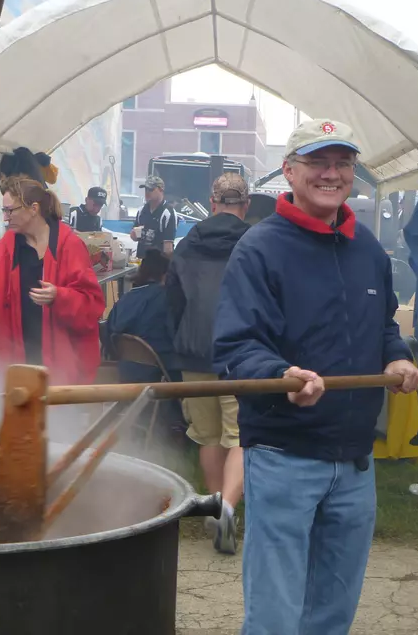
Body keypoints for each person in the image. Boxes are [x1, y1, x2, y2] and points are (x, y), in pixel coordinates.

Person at [212, 118, 418, 635]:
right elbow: (235, 346)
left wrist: (396, 357)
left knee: (332, 613)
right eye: (317, 162)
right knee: (276, 616)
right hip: (284, 455)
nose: (332, 174)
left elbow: (383, 328)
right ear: (289, 171)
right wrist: (282, 374)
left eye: (343, 164)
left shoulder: (369, 251)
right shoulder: (260, 249)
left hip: (354, 463)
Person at [0, 176, 104, 385]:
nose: (5, 218)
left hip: (63, 368)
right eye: (3, 211)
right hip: (18, 364)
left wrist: (59, 297)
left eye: (10, 210)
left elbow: (91, 305)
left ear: (33, 208)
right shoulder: (8, 246)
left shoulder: (69, 246)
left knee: (58, 418)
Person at [167, 172, 251, 555]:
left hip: (194, 351)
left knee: (207, 435)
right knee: (240, 437)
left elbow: (173, 302)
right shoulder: (256, 242)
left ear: (213, 203)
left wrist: (180, 340)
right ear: (245, 205)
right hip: (240, 353)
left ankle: (215, 505)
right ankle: (229, 508)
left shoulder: (187, 244)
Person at [106, 249, 180, 383]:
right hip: (162, 375)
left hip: (126, 374)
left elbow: (108, 335)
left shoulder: (125, 300)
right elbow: (175, 336)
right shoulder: (167, 299)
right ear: (166, 274)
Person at [130, 175, 176, 258]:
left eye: (151, 189)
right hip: (141, 260)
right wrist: (134, 234)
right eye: (146, 189)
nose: (147, 192)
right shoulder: (141, 211)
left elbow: (168, 248)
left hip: (158, 263)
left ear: (161, 190)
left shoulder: (168, 213)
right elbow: (134, 237)